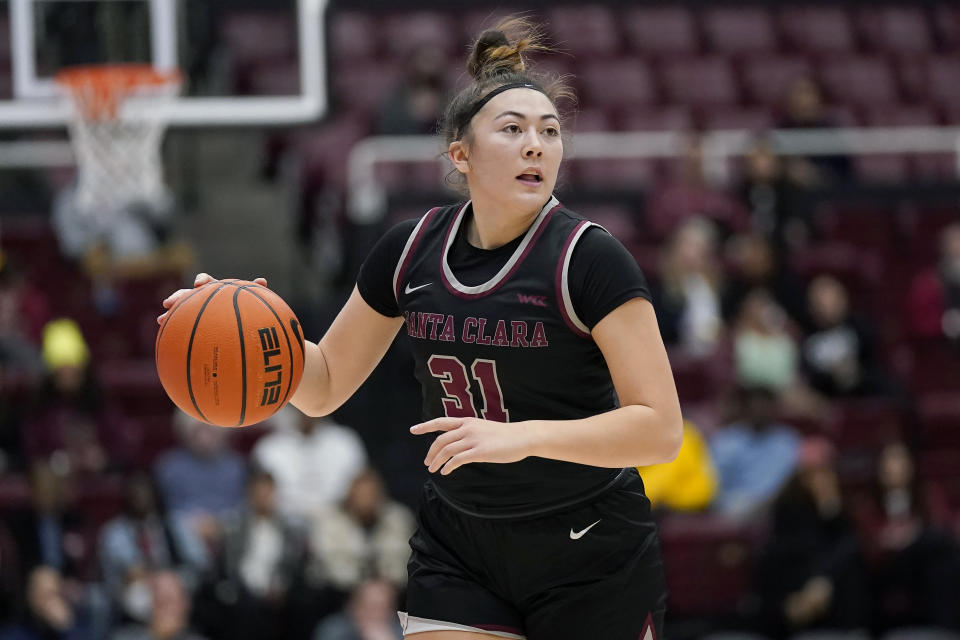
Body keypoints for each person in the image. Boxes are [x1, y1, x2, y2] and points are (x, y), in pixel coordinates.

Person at [158, 18, 682, 640]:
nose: (536, 145)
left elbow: (659, 429)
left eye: (550, 131)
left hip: (587, 541)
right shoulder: (408, 253)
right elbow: (323, 385)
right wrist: (245, 334)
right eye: (512, 130)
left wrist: (519, 438)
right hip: (461, 540)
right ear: (460, 154)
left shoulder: (588, 258)